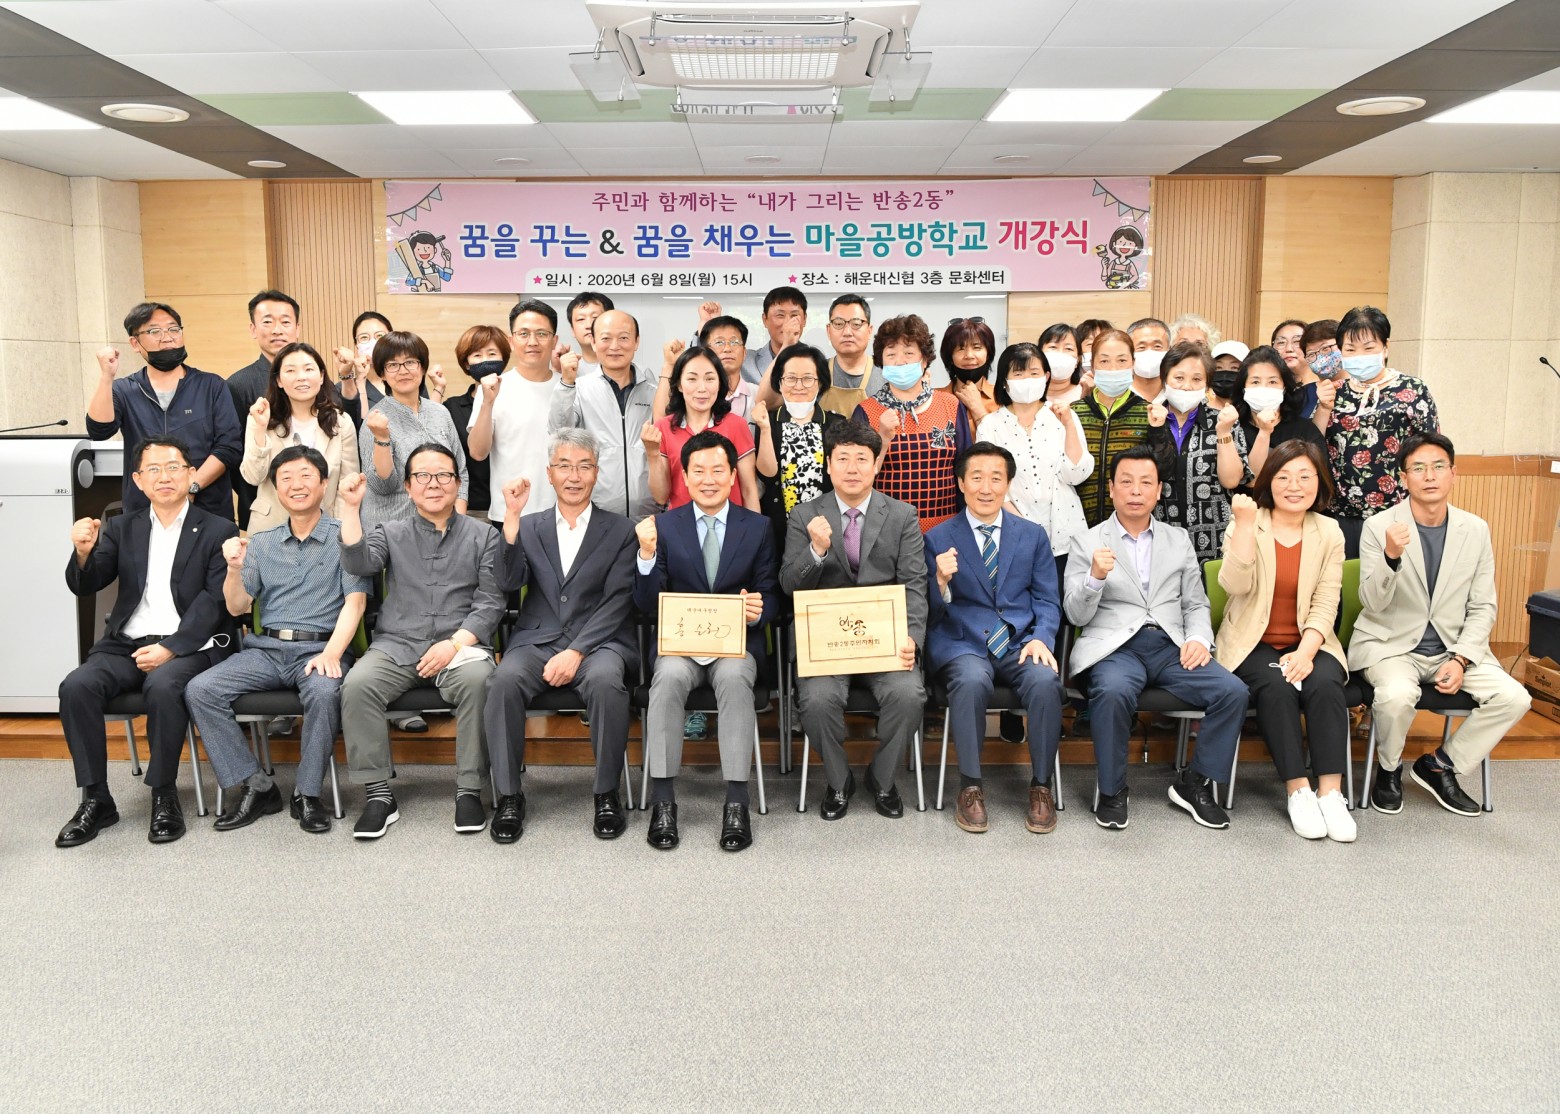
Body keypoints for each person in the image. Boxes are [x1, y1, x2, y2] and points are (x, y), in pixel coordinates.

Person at [55, 437, 238, 848]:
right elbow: (87, 583)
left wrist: (172, 647)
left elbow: (215, 602)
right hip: (127, 642)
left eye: (173, 467)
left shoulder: (217, 529)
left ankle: (163, 793)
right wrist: (82, 553)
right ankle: (96, 798)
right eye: (153, 469)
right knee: (77, 686)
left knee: (163, 685)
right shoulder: (123, 526)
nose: (164, 477)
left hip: (190, 644)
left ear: (190, 475)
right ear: (138, 480)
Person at [184, 446, 369, 835]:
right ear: (275, 488)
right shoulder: (261, 543)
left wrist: (332, 653)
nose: (296, 485)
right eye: (285, 478)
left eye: (306, 476)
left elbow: (356, 603)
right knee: (200, 689)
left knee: (324, 692)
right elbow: (237, 606)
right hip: (266, 651)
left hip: (320, 648)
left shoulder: (346, 537)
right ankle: (256, 785)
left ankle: (307, 793)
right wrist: (233, 569)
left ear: (324, 483)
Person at [1064, 445, 1247, 831]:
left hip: (1170, 646)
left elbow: (1195, 603)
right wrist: (1094, 578)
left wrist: (1199, 638)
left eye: (1146, 482)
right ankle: (1112, 790)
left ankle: (1194, 783)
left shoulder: (1177, 539)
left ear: (1159, 489)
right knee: (1112, 691)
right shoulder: (1086, 541)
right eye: (1126, 482)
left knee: (1232, 691)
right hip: (1115, 648)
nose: (1136, 490)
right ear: (1111, 488)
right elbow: (1075, 615)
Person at [1352, 433, 1530, 816]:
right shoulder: (1379, 526)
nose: (1429, 476)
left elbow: (1483, 606)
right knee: (1396, 695)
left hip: (1453, 649)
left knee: (1515, 697)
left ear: (1453, 473)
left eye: (1438, 467)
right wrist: (1390, 557)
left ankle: (1439, 764)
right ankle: (1388, 770)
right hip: (1391, 647)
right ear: (1403, 478)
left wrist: (1462, 658)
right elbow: (1372, 602)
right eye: (1418, 468)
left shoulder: (1475, 529)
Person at [482, 429, 640, 844]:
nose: (574, 476)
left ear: (596, 473)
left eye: (584, 466)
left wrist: (577, 651)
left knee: (606, 683)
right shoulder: (528, 526)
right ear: (549, 473)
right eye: (565, 466)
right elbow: (508, 582)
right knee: (501, 682)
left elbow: (618, 600)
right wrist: (510, 518)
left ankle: (606, 794)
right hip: (537, 640)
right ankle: (509, 796)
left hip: (600, 641)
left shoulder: (621, 530)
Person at [337, 446, 503, 839]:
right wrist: (351, 508)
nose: (433, 484)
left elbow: (491, 601)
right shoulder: (390, 532)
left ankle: (469, 789)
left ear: (457, 483)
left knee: (480, 682)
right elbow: (359, 563)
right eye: (422, 476)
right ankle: (379, 795)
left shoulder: (484, 535)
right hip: (398, 644)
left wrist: (454, 644)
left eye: (443, 475)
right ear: (408, 487)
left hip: (461, 646)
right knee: (358, 684)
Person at [633, 431, 778, 852]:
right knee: (667, 679)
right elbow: (645, 604)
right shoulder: (663, 527)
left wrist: (758, 608)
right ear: (685, 476)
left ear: (733, 476)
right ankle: (663, 801)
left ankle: (736, 802)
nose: (708, 479)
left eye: (718, 470)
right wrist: (646, 556)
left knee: (734, 679)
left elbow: (772, 594)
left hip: (735, 646)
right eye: (699, 471)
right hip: (680, 647)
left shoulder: (758, 527)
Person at [780, 421, 928, 820]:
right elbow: (789, 586)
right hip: (826, 645)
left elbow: (915, 584)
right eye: (842, 458)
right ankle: (838, 780)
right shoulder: (804, 515)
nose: (852, 468)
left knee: (909, 695)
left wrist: (913, 638)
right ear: (828, 465)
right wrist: (816, 550)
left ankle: (882, 778)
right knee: (816, 701)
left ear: (876, 464)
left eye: (861, 459)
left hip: (884, 641)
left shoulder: (902, 515)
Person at [1216, 442, 1355, 842]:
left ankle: (1331, 793)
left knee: (1325, 683)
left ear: (1319, 483)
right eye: (1284, 477)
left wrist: (1307, 652)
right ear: (1268, 482)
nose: (1295, 486)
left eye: (1305, 477)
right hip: (1252, 641)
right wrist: (1244, 526)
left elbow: (1328, 599)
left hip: (1311, 638)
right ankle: (1298, 791)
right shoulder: (1247, 520)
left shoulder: (1328, 531)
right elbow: (1234, 585)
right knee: (1276, 686)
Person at [925, 443, 1065, 835]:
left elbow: (1047, 599)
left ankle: (1041, 786)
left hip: (1020, 642)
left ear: (1008, 484)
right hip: (962, 643)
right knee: (971, 681)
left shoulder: (1032, 536)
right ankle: (970, 786)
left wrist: (1042, 638)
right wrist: (939, 581)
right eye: (976, 478)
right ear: (960, 483)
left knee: (1045, 681)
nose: (986, 488)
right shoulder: (937, 537)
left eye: (996, 478)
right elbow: (926, 610)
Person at [86, 302, 242, 522]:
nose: (167, 337)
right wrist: (106, 377)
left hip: (208, 510)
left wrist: (191, 486)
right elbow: (99, 431)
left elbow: (229, 447)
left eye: (173, 329)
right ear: (135, 343)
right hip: (143, 512)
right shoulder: (124, 390)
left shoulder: (211, 386)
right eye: (154, 331)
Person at [1315, 306, 1440, 558]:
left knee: (1391, 577)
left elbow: (1430, 450)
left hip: (1397, 515)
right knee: (1345, 579)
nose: (1359, 355)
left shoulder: (1412, 389)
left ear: (1385, 347)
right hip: (1339, 515)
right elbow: (1315, 445)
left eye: (1368, 348)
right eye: (1350, 349)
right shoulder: (1334, 391)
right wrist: (1323, 408)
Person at [977, 343, 1091, 583]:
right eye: (1018, 374)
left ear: (1046, 376)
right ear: (1004, 381)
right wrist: (1024, 528)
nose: (1027, 380)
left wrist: (1068, 424)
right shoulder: (990, 425)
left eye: (1034, 373)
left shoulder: (1063, 416)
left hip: (1066, 536)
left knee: (1063, 599)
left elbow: (1076, 474)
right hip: (1014, 535)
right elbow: (992, 487)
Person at [853, 313, 973, 532]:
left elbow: (966, 468)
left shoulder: (951, 405)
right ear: (881, 362)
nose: (900, 361)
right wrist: (883, 438)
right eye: (891, 354)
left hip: (945, 530)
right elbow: (857, 476)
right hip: (887, 531)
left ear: (924, 360)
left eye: (909, 353)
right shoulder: (866, 411)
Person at [548, 308, 657, 521]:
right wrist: (566, 383)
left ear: (636, 342)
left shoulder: (655, 391)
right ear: (594, 342)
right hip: (596, 513)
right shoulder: (578, 388)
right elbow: (558, 434)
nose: (615, 346)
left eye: (623, 338)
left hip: (649, 512)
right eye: (606, 338)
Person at [240, 341, 358, 535]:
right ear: (278, 380)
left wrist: (338, 532)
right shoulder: (260, 418)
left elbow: (348, 484)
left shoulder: (341, 422)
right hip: (269, 529)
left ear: (321, 376)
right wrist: (260, 429)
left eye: (309, 369)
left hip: (324, 530)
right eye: (290, 371)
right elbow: (253, 477)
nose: (301, 377)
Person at [1146, 341, 1248, 562]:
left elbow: (1231, 480)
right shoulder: (1151, 420)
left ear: (1207, 385)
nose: (1186, 386)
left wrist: (1223, 432)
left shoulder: (1224, 421)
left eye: (1196, 379)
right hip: (1162, 536)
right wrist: (1156, 430)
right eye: (1178, 377)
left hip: (1215, 538)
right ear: (1164, 380)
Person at [359, 330, 468, 531]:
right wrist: (382, 438)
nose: (403, 371)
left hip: (441, 528)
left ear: (423, 367)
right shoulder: (374, 419)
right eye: (393, 365)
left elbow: (460, 471)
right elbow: (382, 486)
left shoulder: (440, 412)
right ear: (382, 373)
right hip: (390, 531)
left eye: (410, 362)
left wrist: (458, 527)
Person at [467, 303, 559, 525]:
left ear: (554, 340)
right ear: (511, 341)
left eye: (542, 334)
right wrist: (487, 403)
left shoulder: (569, 388)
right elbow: (478, 452)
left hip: (562, 512)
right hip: (509, 512)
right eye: (523, 334)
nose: (532, 341)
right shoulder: (493, 387)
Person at [646, 347, 760, 510]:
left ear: (719, 383)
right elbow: (660, 496)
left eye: (710, 379)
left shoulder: (737, 425)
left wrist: (756, 526)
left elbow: (749, 490)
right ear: (679, 384)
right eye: (692, 379)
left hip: (731, 523)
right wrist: (652, 454)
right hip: (681, 523)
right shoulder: (664, 428)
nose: (702, 388)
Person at [227, 290, 302, 529]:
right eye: (267, 322)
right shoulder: (238, 384)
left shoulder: (315, 379)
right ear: (253, 329)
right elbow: (233, 451)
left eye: (285, 322)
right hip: (261, 506)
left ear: (297, 329)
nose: (277, 330)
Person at [755, 343, 836, 552]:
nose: (799, 386)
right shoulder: (768, 421)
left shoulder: (835, 424)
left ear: (820, 383)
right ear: (780, 382)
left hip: (826, 529)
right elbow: (767, 475)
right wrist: (764, 429)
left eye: (808, 378)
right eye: (790, 378)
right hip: (779, 528)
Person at [1071, 327, 1154, 528]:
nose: (1113, 368)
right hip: (1078, 524)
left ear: (1133, 364)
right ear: (1092, 365)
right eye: (1104, 361)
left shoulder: (1148, 413)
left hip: (1131, 524)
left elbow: (1160, 469)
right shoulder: (1073, 412)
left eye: (1122, 361)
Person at [1233, 344, 1327, 487]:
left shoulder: (1305, 430)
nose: (1264, 388)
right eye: (1255, 382)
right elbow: (1251, 482)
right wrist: (1264, 432)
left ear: (1284, 388)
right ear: (1243, 388)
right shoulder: (1233, 429)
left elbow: (1320, 481)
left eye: (1273, 381)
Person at [696, 286, 807, 388]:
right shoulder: (745, 359)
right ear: (765, 319)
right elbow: (703, 365)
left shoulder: (814, 359)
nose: (787, 322)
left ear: (804, 320)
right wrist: (710, 327)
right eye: (780, 315)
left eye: (794, 315)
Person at [653, 316, 757, 424]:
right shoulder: (693, 392)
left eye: (734, 342)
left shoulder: (758, 394)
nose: (727, 349)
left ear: (744, 352)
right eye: (719, 343)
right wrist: (669, 365)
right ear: (706, 350)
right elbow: (660, 424)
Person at [818, 293, 881, 412]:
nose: (847, 332)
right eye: (838, 324)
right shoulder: (816, 373)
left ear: (869, 330)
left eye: (856, 324)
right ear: (828, 330)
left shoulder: (886, 374)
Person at [942, 316, 999, 427]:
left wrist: (978, 410)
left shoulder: (1003, 397)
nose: (969, 355)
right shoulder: (934, 399)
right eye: (961, 348)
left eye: (977, 347)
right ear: (950, 357)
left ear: (988, 354)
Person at [1301, 318, 1342, 431]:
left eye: (1325, 348)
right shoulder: (1302, 395)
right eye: (1311, 354)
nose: (1320, 358)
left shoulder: (1364, 388)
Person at [562, 290, 613, 377]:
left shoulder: (630, 370)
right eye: (581, 319)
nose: (589, 325)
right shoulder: (567, 369)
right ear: (573, 330)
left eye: (595, 317)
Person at [1269, 318, 1313, 415]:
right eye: (1281, 342)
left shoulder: (1324, 390)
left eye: (1297, 341)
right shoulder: (1269, 391)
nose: (1289, 349)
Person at [1038, 323, 1084, 405]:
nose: (1060, 353)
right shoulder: (1026, 394)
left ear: (1078, 360)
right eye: (1053, 347)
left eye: (1068, 349)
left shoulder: (1085, 394)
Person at [1126, 317, 1172, 391]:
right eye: (1141, 347)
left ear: (1169, 350)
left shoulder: (1177, 393)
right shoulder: (1119, 393)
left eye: (1157, 346)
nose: (1149, 353)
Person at [1208, 340, 1249, 408]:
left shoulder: (1254, 412)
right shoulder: (1197, 410)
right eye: (1218, 367)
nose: (1225, 374)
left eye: (1234, 367)